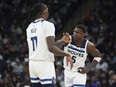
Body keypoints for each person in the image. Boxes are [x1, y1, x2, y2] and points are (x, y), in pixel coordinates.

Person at [26, 3, 73, 87]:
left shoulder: (29, 27)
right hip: (44, 64)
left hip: (33, 64)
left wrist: (62, 41)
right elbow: (51, 48)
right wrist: (67, 54)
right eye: (47, 10)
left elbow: (47, 46)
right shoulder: (48, 25)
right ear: (44, 12)